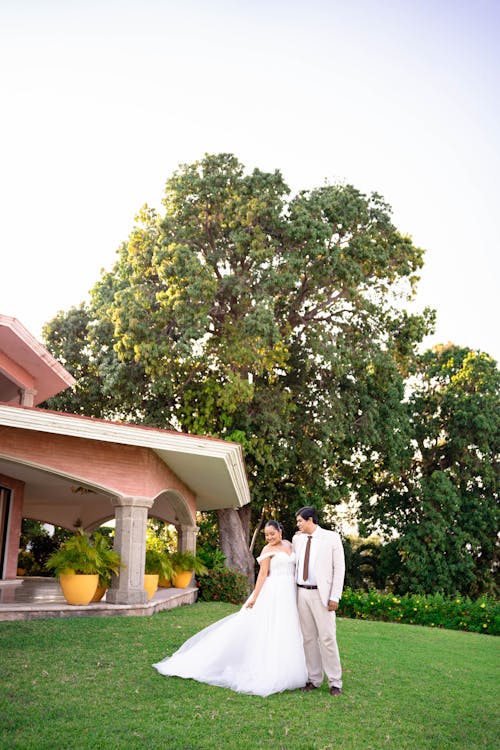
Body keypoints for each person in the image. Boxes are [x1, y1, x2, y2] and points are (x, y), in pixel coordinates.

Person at [152, 520, 307, 696]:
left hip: (289, 592)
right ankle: (268, 669)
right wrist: (255, 598)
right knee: (269, 627)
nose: (269, 537)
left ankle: (286, 666)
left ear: (280, 531)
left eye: (272, 533)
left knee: (285, 628)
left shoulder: (289, 544)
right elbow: (263, 575)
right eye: (266, 535)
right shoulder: (267, 550)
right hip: (273, 591)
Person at [292, 506, 345, 696]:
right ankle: (314, 679)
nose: (297, 524)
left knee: (327, 638)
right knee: (308, 639)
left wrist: (334, 597)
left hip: (322, 596)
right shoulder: (297, 540)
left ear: (310, 520)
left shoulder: (331, 538)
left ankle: (335, 682)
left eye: (300, 521)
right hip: (301, 594)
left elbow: (339, 569)